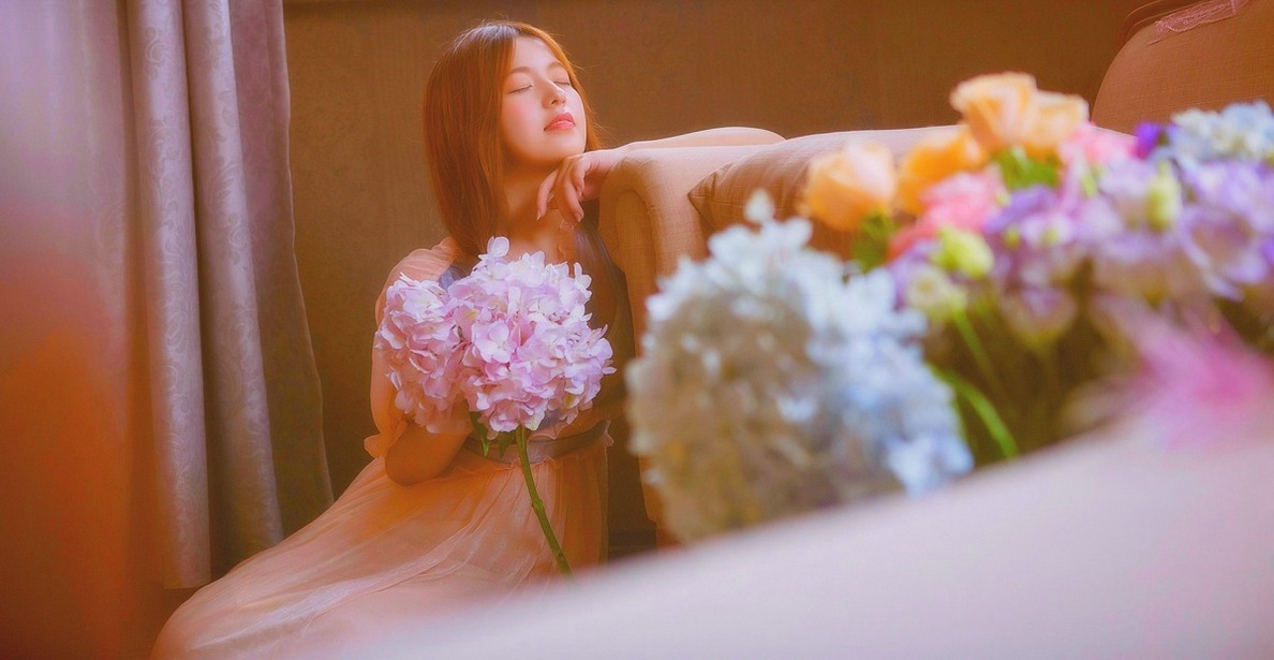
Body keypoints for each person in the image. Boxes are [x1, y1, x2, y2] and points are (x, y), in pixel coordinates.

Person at [151, 20, 781, 658]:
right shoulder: (431, 284)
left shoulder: (611, 223)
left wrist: (622, 159)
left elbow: (762, 145)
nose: (556, 96)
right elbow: (404, 465)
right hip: (444, 529)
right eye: (522, 87)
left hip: (548, 533)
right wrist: (458, 399)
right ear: (471, 122)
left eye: (563, 80)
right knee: (209, 637)